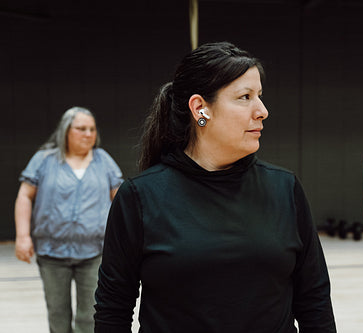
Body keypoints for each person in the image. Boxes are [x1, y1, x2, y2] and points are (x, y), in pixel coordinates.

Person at [94, 41, 336, 333]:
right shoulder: (140, 197)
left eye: (259, 95)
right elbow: (113, 310)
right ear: (200, 109)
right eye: (245, 97)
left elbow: (315, 302)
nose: (262, 111)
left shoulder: (284, 188)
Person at [14, 106, 123, 333]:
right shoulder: (44, 159)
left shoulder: (104, 161)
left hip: (95, 252)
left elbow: (122, 201)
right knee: (58, 314)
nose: (88, 134)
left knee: (90, 315)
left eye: (92, 129)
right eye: (81, 128)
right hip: (52, 252)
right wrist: (23, 236)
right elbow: (24, 196)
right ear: (66, 131)